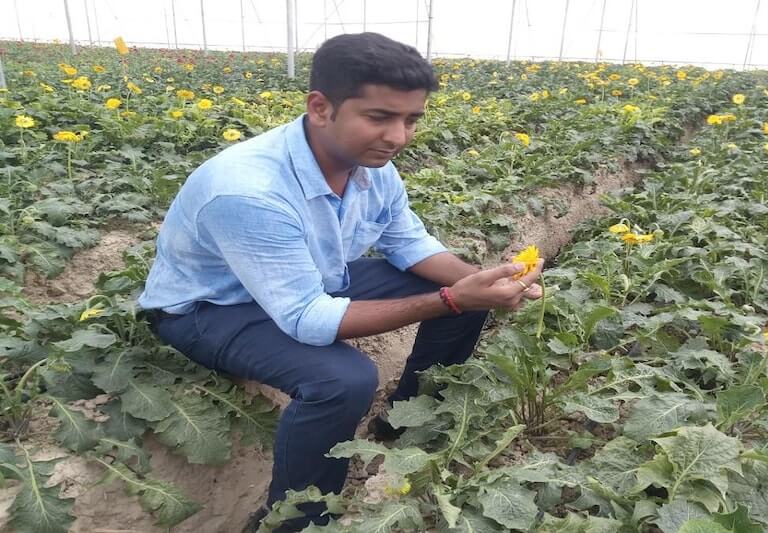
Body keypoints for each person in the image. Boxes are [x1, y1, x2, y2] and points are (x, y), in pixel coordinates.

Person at [138, 32, 543, 530]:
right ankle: (297, 518)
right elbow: (307, 317)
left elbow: (409, 245)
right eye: (379, 117)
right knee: (342, 380)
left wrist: (489, 281)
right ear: (320, 107)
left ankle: (409, 418)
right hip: (211, 311)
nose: (398, 136)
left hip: (309, 281)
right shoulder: (247, 191)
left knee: (467, 295)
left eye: (411, 119)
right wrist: (450, 299)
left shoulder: (373, 167)